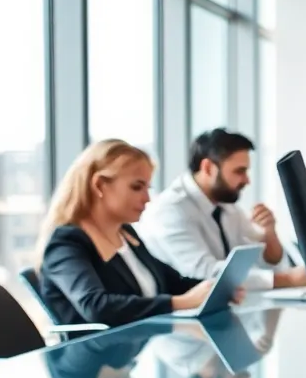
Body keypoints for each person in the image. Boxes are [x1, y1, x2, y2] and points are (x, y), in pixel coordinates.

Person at [36, 139, 221, 327]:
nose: (147, 198)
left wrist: (216, 289)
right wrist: (180, 303)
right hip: (100, 345)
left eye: (147, 188)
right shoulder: (66, 243)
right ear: (99, 185)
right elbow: (96, 307)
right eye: (136, 187)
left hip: (142, 341)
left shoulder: (125, 233)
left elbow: (172, 282)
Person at [137, 128, 306, 291]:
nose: (247, 180)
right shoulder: (170, 210)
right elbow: (204, 273)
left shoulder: (226, 206)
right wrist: (286, 280)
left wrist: (269, 233)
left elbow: (266, 261)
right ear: (208, 168)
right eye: (239, 171)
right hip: (186, 307)